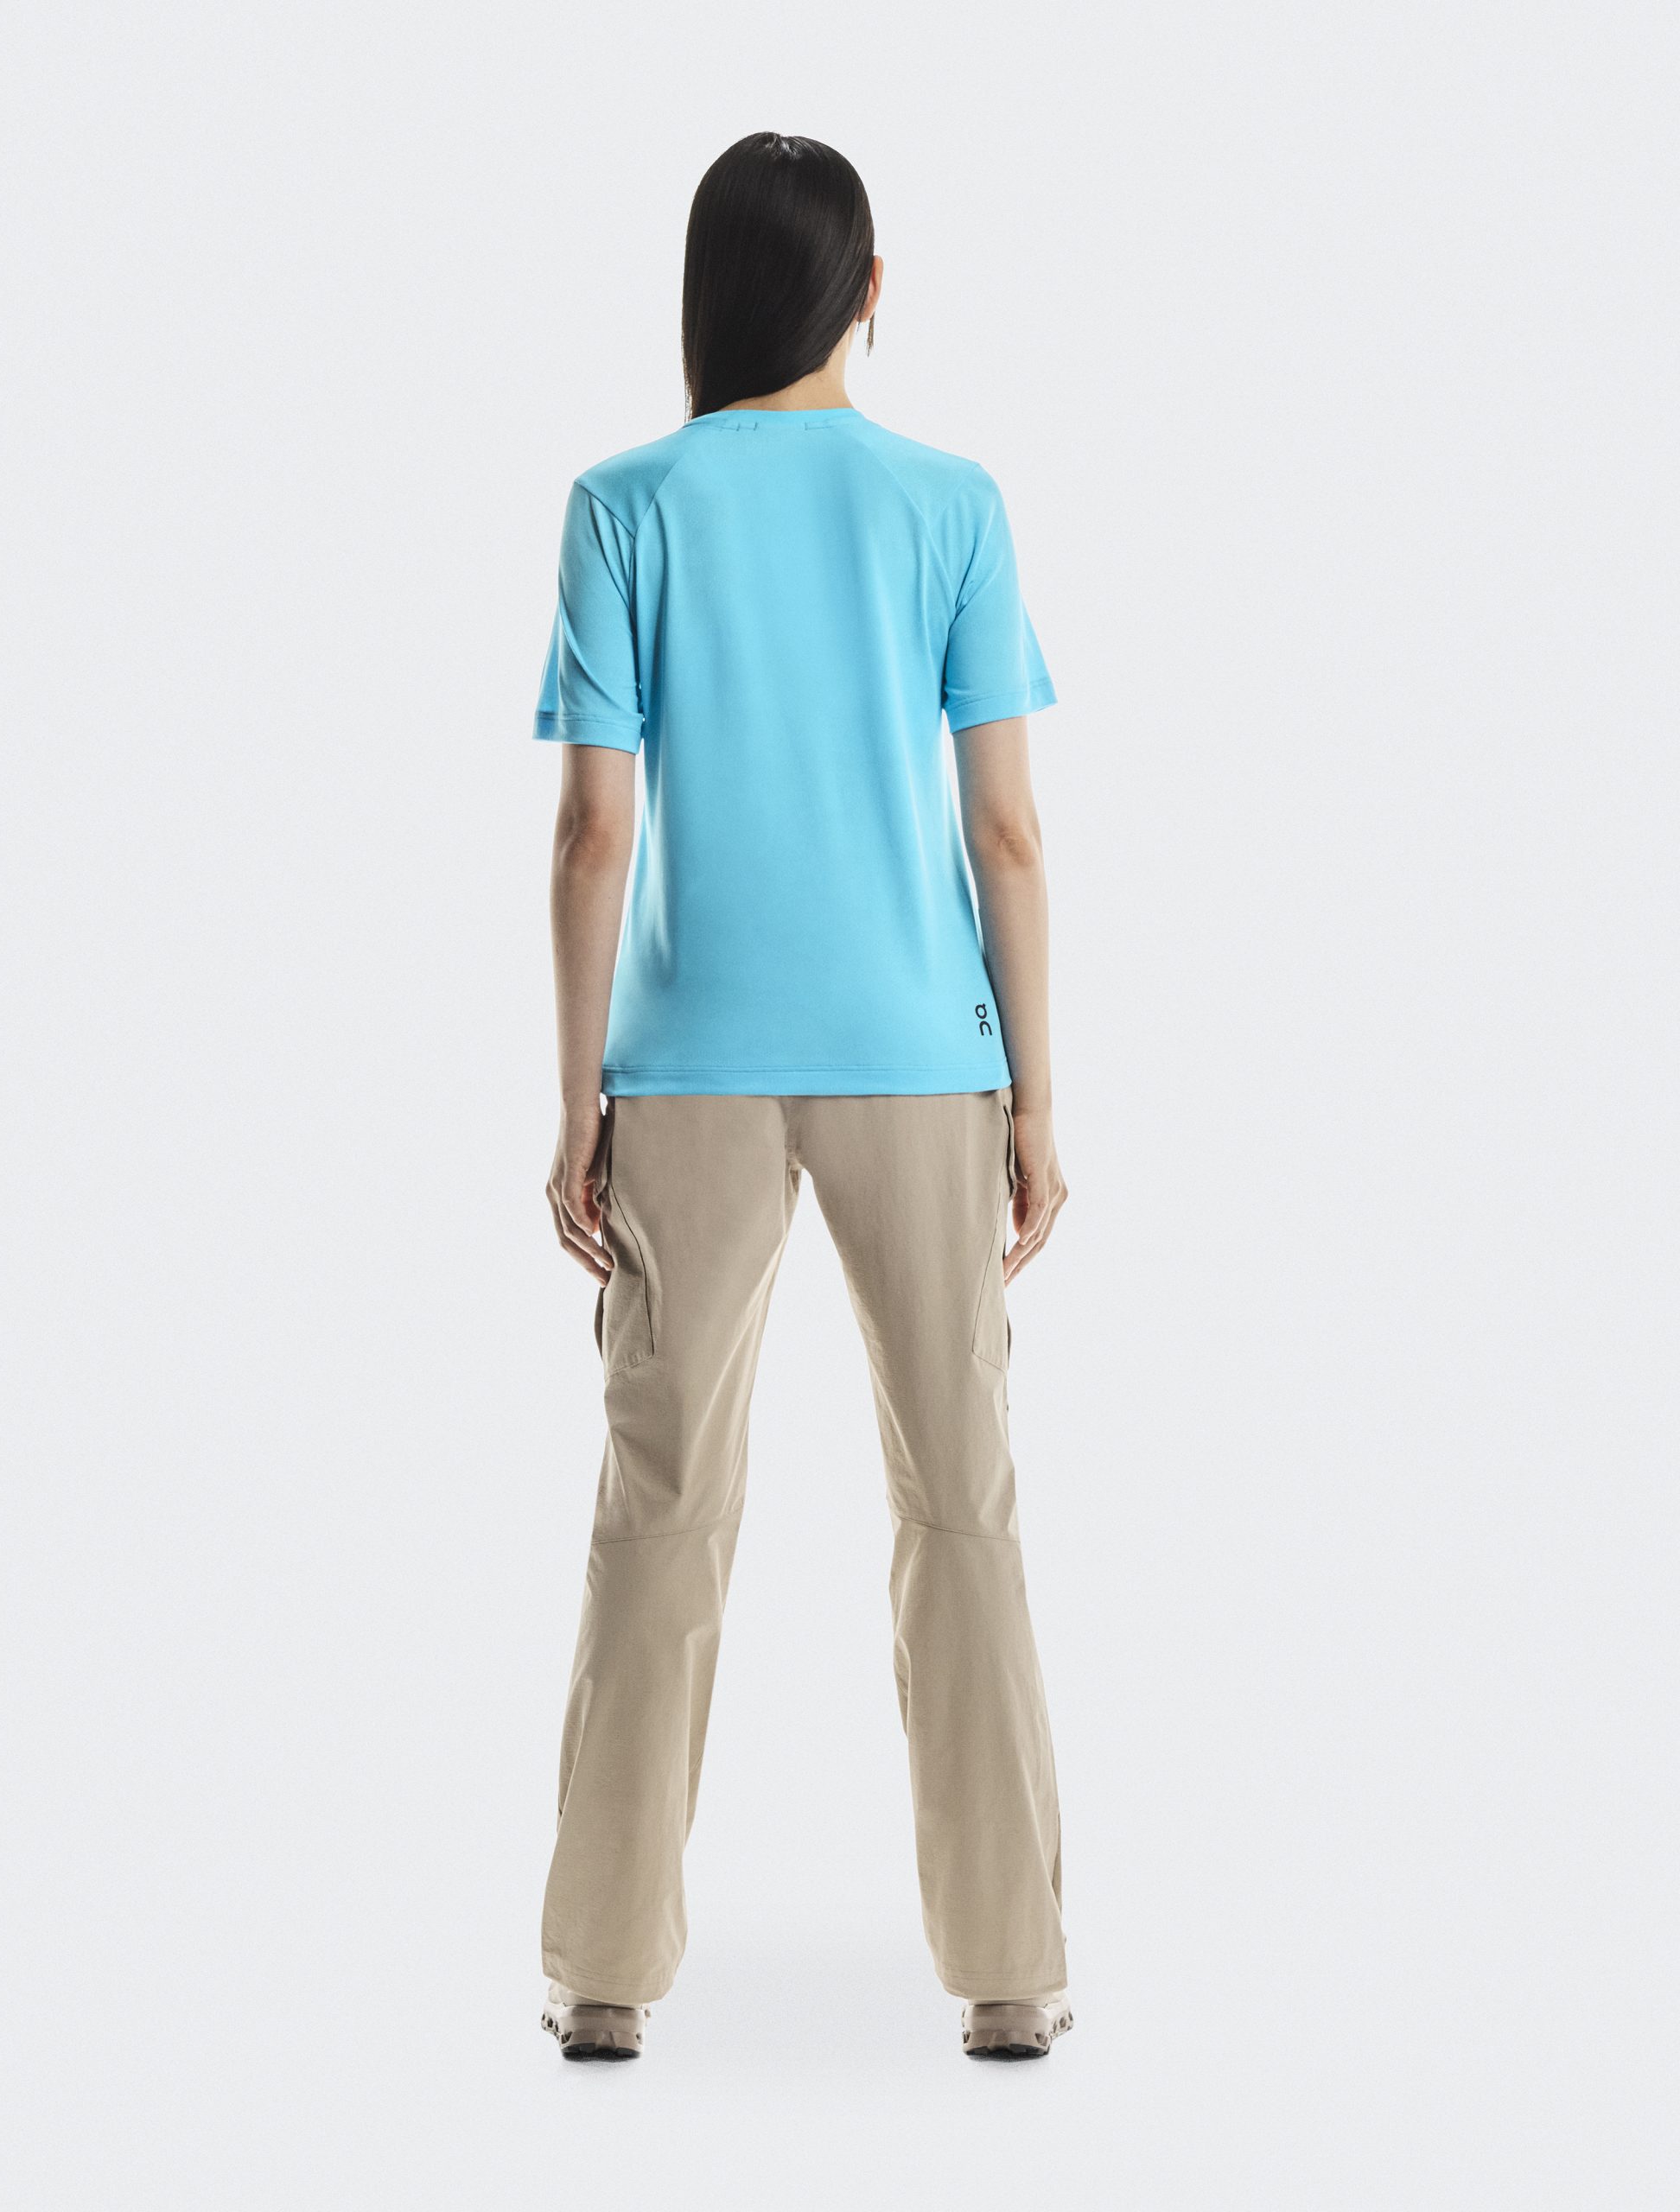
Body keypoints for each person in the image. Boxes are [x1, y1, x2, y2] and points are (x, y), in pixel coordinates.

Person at [533, 131, 1072, 2063]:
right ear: (869, 290)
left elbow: (595, 834)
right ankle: (1009, 1969)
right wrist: (1035, 1098)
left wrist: (576, 1099)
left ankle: (603, 1970)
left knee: (659, 1503)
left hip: (688, 1064)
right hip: (924, 1057)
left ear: (704, 294)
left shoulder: (623, 504)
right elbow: (1004, 830)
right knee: (961, 1499)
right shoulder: (951, 505)